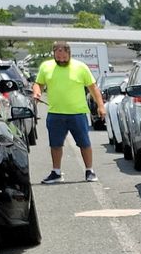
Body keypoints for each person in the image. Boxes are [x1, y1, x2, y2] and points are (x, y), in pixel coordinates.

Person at [32, 42, 102, 184]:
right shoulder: (46, 67)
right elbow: (38, 83)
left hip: (77, 113)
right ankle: (56, 172)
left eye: (64, 58)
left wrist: (100, 106)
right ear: (54, 54)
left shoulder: (80, 67)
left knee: (84, 143)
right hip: (55, 112)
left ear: (69, 54)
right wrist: (37, 92)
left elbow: (93, 87)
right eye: (59, 58)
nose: (62, 60)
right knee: (55, 144)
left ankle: (90, 170)